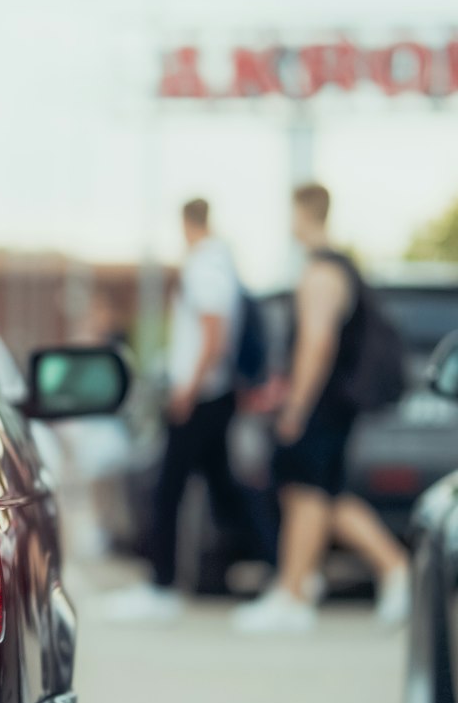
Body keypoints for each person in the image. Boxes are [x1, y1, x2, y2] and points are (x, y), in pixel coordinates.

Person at [233, 183, 410, 634]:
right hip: (332, 402)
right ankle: (310, 585)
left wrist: (296, 405)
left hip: (322, 402)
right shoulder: (339, 267)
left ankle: (296, 595)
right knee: (319, 495)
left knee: (305, 492)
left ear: (304, 213)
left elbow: (318, 341)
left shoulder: (321, 272)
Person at [105, 198, 245, 622]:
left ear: (187, 224)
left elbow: (212, 333)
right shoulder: (225, 264)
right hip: (212, 394)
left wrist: (188, 388)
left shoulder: (205, 265)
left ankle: (161, 585)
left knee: (168, 490)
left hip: (198, 396)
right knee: (225, 491)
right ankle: (277, 566)